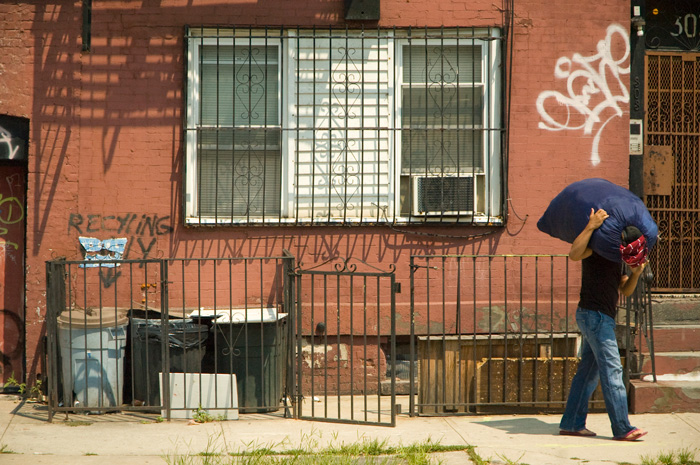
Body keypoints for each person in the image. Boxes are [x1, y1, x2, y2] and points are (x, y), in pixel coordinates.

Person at [559, 207, 649, 441]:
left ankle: (571, 423)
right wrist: (591, 225)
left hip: (600, 317)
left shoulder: (617, 257)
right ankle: (622, 428)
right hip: (595, 316)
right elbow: (573, 254)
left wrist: (636, 274)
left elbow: (624, 291)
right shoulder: (596, 249)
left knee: (588, 374)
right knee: (612, 371)